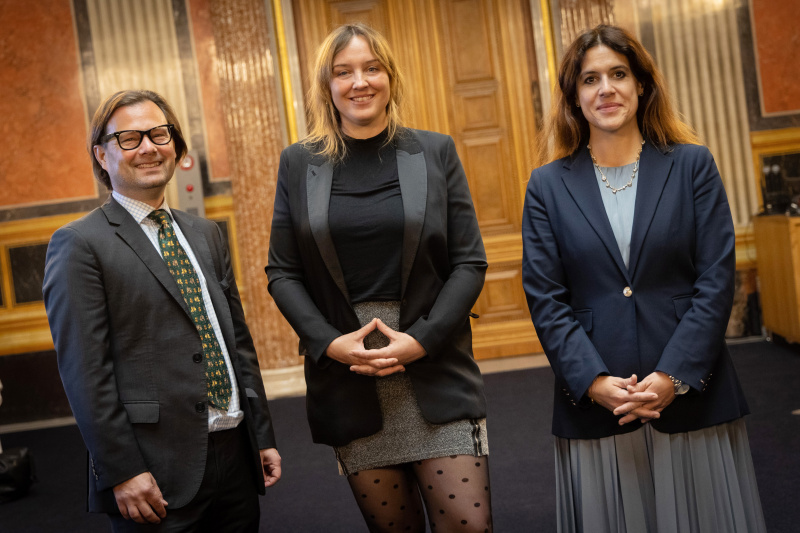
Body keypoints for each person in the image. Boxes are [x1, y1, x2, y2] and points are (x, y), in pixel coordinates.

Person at [522, 24, 766, 532]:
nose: (605, 89)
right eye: (590, 80)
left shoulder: (693, 165)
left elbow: (716, 279)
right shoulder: (546, 185)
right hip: (598, 401)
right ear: (574, 96)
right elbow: (546, 298)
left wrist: (673, 377)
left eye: (618, 74)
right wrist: (594, 382)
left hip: (691, 392)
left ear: (641, 86)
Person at [266, 23, 492, 533]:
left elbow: (469, 261)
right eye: (343, 72)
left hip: (434, 364)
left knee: (469, 527)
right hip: (352, 374)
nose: (359, 82)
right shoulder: (299, 163)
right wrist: (329, 344)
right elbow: (282, 271)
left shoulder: (434, 151)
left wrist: (422, 341)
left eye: (371, 68)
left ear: (390, 76)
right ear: (327, 85)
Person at [43, 89, 281, 532]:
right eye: (130, 138)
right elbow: (85, 373)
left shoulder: (206, 233)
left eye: (159, 133)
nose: (149, 147)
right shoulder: (80, 244)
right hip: (154, 470)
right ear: (102, 153)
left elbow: (236, 343)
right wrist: (122, 470)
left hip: (235, 456)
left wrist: (260, 435)